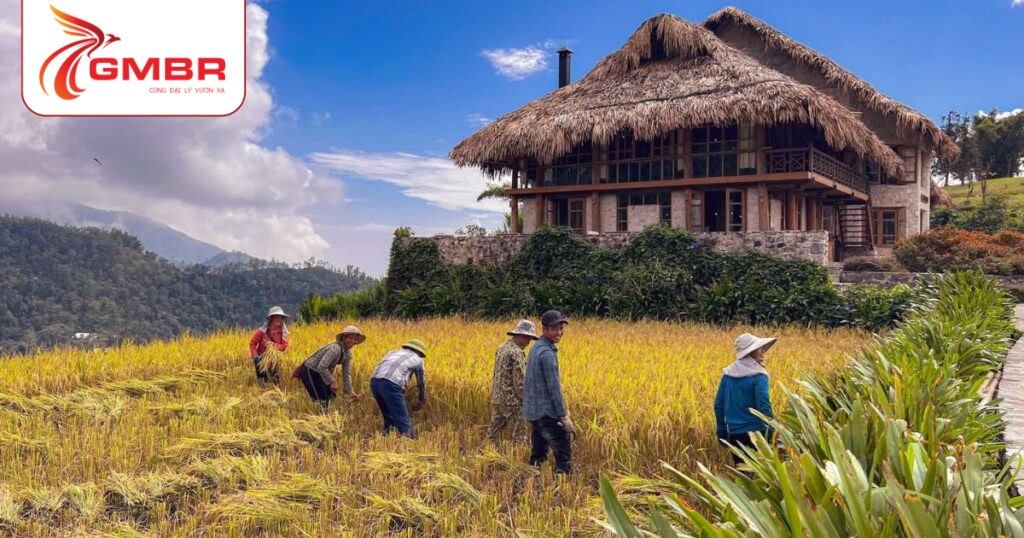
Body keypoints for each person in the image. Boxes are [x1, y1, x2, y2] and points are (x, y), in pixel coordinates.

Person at [522, 310, 573, 475]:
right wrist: (563, 416)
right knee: (563, 450)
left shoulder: (536, 348)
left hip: (534, 412)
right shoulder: (547, 354)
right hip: (545, 412)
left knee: (539, 450)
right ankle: (563, 482)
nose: (559, 333)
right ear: (544, 330)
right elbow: (554, 388)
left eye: (560, 328)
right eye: (554, 329)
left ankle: (533, 479)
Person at [714, 332, 777, 464]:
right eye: (759, 348)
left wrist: (721, 430)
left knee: (744, 478)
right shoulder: (759, 376)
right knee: (761, 479)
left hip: (735, 435)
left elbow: (719, 404)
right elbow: (764, 404)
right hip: (757, 435)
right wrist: (772, 432)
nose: (763, 350)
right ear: (750, 352)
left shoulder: (728, 375)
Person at [485, 319, 538, 442]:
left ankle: (485, 453)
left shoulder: (502, 347)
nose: (529, 342)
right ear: (521, 335)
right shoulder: (516, 352)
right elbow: (520, 383)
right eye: (528, 338)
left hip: (498, 398)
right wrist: (528, 400)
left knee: (493, 433)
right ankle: (515, 460)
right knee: (519, 435)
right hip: (512, 402)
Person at [293, 325, 366, 410]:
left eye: (354, 339)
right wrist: (332, 381)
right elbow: (322, 366)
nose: (352, 341)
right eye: (349, 338)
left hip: (321, 372)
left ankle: (325, 417)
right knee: (321, 398)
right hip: (310, 370)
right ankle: (318, 417)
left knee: (330, 396)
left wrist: (351, 392)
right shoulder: (335, 349)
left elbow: (346, 373)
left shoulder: (348, 353)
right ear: (343, 338)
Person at [369, 339, 427, 438]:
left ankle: (385, 438)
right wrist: (421, 400)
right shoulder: (418, 359)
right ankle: (410, 441)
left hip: (374, 382)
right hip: (390, 385)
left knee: (389, 417)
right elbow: (421, 383)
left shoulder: (392, 352)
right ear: (418, 352)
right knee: (402, 418)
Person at [249, 306, 290, 385]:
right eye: (276, 317)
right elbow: (252, 344)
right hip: (261, 360)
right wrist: (254, 356)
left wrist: (274, 345)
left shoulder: (282, 332)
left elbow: (285, 346)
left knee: (276, 381)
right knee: (262, 381)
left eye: (281, 317)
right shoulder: (261, 331)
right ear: (271, 318)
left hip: (274, 360)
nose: (279, 319)